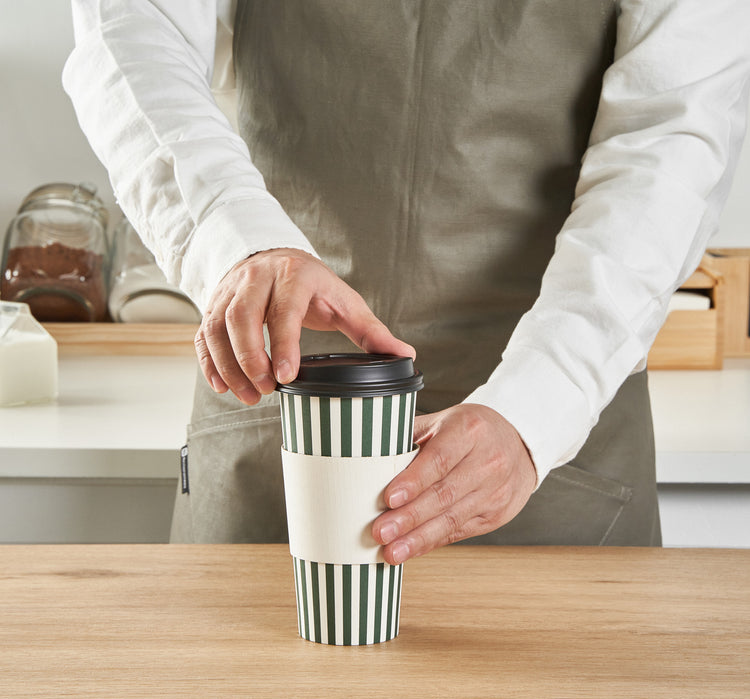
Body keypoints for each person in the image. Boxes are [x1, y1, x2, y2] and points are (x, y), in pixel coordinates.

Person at [64, 0, 750, 559]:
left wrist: (538, 407)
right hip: (278, 406)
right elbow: (131, 30)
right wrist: (237, 235)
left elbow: (670, 137)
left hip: (557, 453)